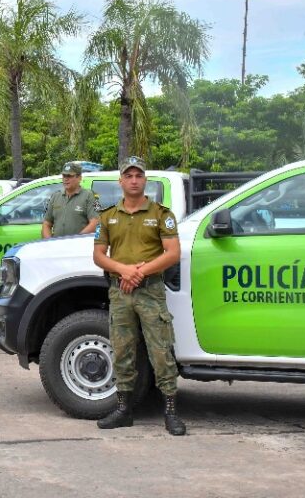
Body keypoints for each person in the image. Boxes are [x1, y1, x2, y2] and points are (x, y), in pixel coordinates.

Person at [92, 156, 186, 436]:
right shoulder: (107, 216)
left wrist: (139, 274)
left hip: (150, 292)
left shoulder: (161, 214)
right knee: (122, 350)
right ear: (121, 181)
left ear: (145, 180)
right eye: (128, 175)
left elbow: (173, 253)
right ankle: (124, 410)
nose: (134, 180)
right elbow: (98, 255)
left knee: (161, 351)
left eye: (138, 175)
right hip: (120, 293)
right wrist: (123, 271)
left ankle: (170, 412)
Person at [42, 161, 100, 238]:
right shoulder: (55, 196)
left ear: (79, 178)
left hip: (80, 246)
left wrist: (75, 240)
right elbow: (46, 224)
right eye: (64, 176)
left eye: (69, 176)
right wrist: (49, 241)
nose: (66, 179)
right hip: (57, 246)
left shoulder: (90, 196)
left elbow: (96, 222)